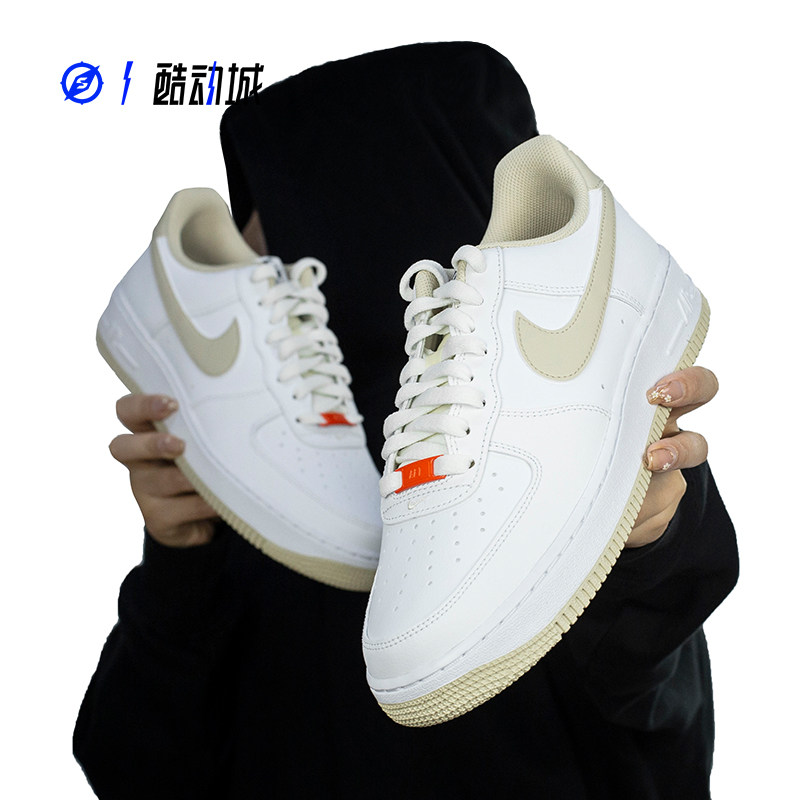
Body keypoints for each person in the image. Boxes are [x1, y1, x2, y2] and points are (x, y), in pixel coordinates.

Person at [74, 43, 738, 798]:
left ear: (359, 199)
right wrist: (180, 562)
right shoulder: (259, 475)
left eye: (271, 202)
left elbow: (664, 737)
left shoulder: (574, 423)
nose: (251, 250)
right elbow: (132, 768)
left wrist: (649, 548)